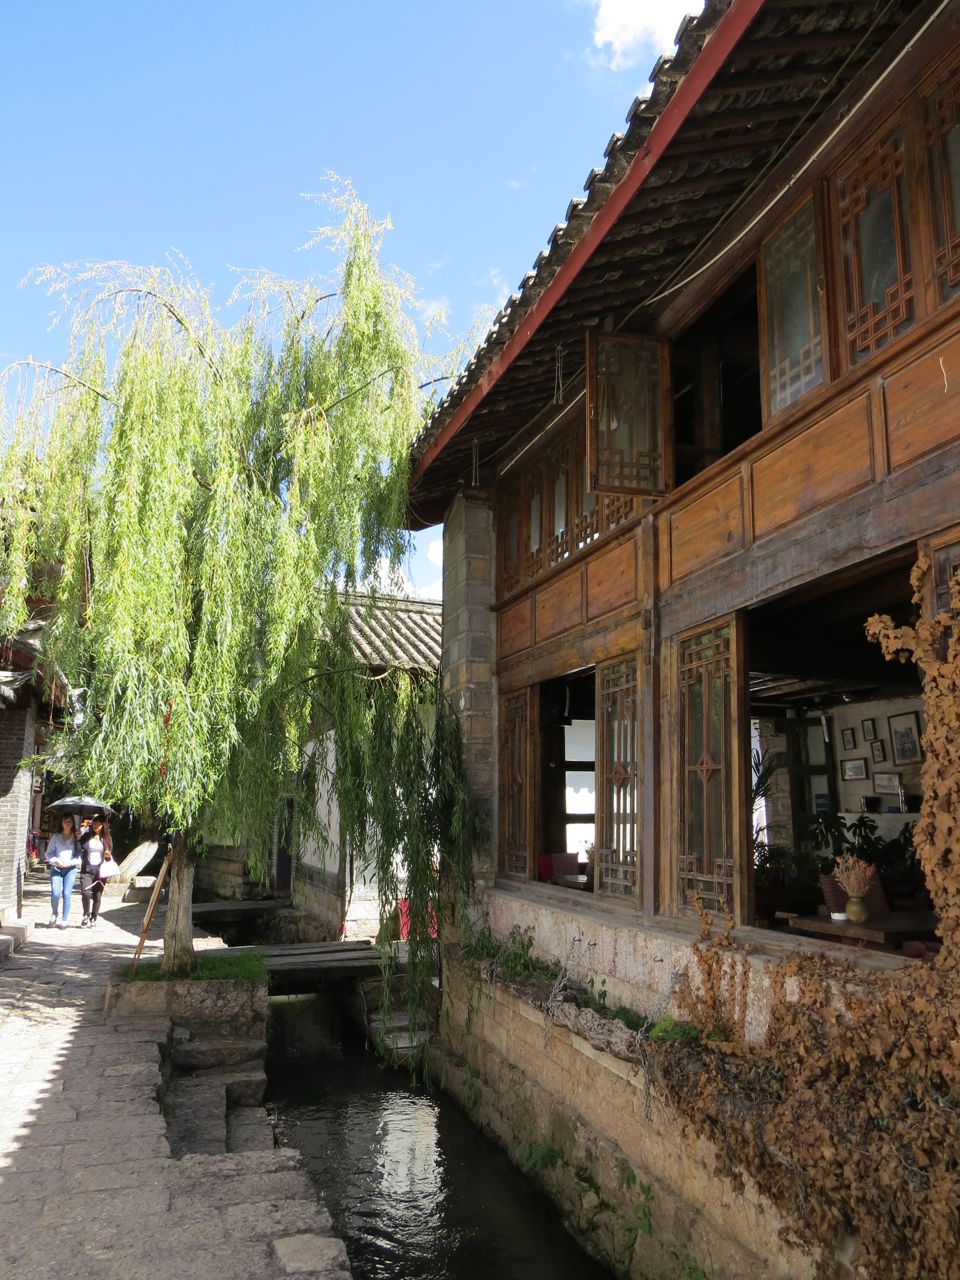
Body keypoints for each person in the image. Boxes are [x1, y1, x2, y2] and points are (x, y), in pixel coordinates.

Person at [45, 813, 81, 929]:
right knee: (56, 893)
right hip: (57, 868)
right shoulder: (56, 836)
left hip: (70, 869)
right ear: (61, 823)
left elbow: (79, 854)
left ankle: (64, 919)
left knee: (66, 893)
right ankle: (54, 913)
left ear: (73, 823)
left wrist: (71, 862)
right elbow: (48, 853)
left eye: (70, 820)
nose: (67, 823)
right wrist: (56, 861)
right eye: (65, 820)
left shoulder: (76, 837)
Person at [79, 813, 114, 928]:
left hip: (100, 871)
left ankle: (94, 917)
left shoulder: (107, 838)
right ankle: (86, 914)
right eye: (95, 823)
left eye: (99, 824)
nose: (96, 826)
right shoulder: (86, 836)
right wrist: (77, 838)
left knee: (97, 896)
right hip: (87, 870)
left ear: (103, 826)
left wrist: (107, 854)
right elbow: (79, 847)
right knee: (85, 892)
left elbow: (109, 854)